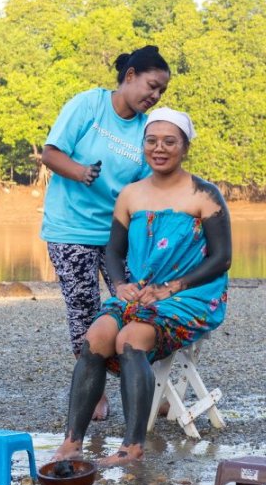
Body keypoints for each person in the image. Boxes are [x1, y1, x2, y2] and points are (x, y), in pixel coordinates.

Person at [52, 107, 231, 466]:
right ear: (143, 145)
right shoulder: (130, 195)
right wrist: (119, 284)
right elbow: (114, 251)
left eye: (169, 142)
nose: (159, 148)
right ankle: (72, 442)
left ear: (184, 147)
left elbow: (222, 258)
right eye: (152, 141)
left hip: (191, 295)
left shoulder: (205, 195)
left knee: (130, 340)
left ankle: (132, 447)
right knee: (97, 336)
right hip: (141, 290)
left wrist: (173, 287)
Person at [40, 45, 171, 421]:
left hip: (118, 233)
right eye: (151, 85)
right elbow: (51, 153)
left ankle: (147, 385)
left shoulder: (146, 129)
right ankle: (93, 391)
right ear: (130, 76)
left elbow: (146, 183)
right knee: (83, 311)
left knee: (136, 305)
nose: (155, 95)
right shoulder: (89, 105)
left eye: (161, 91)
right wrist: (80, 172)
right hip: (70, 228)